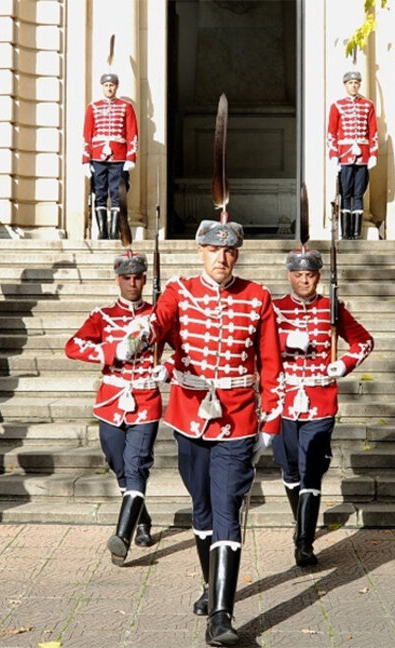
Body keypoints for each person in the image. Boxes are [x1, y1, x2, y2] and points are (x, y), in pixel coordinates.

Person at [116, 218, 282, 646]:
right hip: (190, 415)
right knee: (203, 509)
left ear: (236, 255)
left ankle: (223, 616)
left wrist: (272, 420)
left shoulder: (257, 297)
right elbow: (160, 320)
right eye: (213, 250)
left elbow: (271, 363)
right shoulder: (180, 291)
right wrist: (139, 333)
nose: (222, 258)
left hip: (238, 418)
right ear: (199, 251)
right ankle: (212, 586)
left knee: (227, 508)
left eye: (229, 252)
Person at [272, 246, 373, 566]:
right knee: (289, 468)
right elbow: (254, 345)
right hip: (285, 400)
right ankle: (301, 516)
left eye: (311, 275)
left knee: (310, 470)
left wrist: (343, 364)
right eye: (299, 275)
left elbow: (364, 341)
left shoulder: (332, 308)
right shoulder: (273, 310)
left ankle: (304, 540)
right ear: (290, 276)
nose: (305, 281)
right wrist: (286, 342)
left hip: (320, 400)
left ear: (319, 276)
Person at [64, 250, 164, 565]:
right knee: (118, 465)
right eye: (126, 278)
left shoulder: (158, 315)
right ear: (117, 278)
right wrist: (111, 350)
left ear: (146, 278)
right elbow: (73, 346)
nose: (132, 283)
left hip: (146, 400)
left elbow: (184, 348)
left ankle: (122, 536)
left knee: (136, 465)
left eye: (137, 277)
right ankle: (142, 519)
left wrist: (170, 367)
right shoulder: (103, 316)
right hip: (111, 401)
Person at [82, 72, 138, 240]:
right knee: (99, 193)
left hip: (119, 157)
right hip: (98, 156)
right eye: (106, 85)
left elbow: (132, 133)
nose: (109, 88)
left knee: (117, 194)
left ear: (116, 87)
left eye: (112, 85)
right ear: (102, 87)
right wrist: (86, 160)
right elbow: (87, 134)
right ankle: (102, 231)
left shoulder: (126, 107)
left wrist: (131, 157)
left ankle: (114, 231)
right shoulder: (93, 107)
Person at [327, 70, 378, 240]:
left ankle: (356, 233)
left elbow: (373, 132)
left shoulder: (368, 105)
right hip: (345, 155)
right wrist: (334, 155)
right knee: (345, 194)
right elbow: (331, 133)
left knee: (358, 194)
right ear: (345, 85)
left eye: (356, 83)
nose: (354, 86)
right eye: (350, 83)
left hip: (362, 157)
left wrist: (373, 154)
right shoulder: (337, 105)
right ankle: (345, 232)